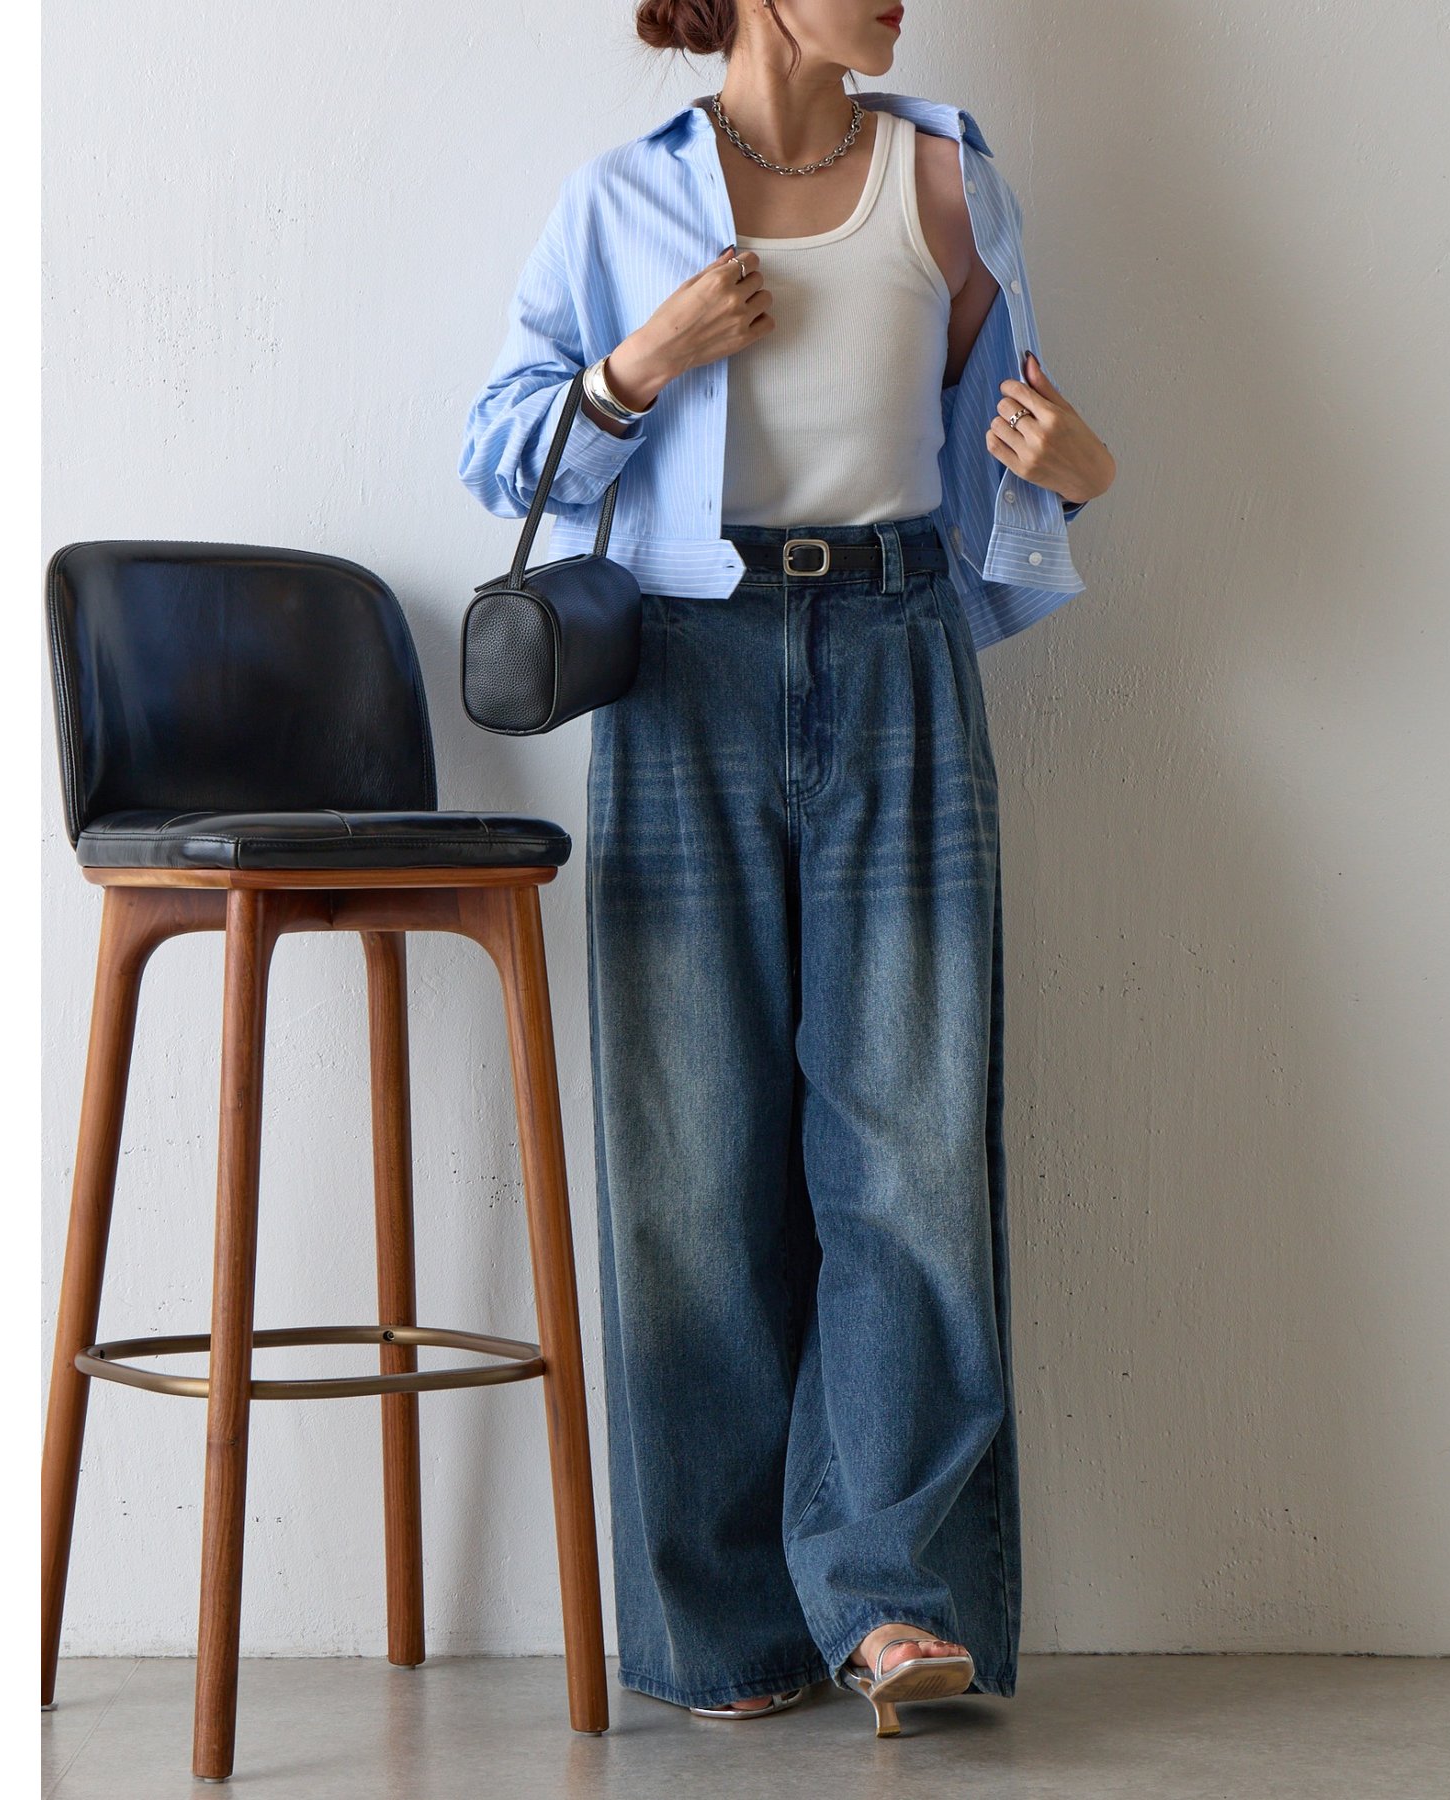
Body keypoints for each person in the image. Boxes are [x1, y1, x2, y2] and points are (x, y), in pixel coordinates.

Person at [460, 0, 1115, 1735]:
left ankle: (894, 1601)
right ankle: (726, 1633)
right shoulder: (621, 201)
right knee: (692, 1165)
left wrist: (1077, 475)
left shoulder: (949, 184)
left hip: (898, 656)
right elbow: (495, 450)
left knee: (909, 1147)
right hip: (681, 674)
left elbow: (1012, 453)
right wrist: (640, 364)